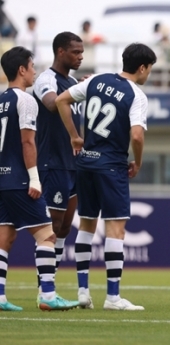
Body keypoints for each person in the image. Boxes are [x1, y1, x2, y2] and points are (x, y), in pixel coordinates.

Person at [55, 43, 157, 311]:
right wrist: (138, 160)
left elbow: (61, 100)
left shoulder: (96, 80)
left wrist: (75, 137)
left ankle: (82, 291)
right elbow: (136, 135)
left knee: (87, 224)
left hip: (85, 162)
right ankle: (112, 297)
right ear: (143, 67)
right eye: (150, 70)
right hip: (111, 166)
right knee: (115, 228)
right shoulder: (137, 94)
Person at [0, 46, 79, 311]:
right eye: (32, 66)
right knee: (47, 235)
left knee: (5, 238)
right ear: (22, 69)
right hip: (20, 180)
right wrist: (34, 178)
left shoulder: (1, 100)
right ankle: (47, 295)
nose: (35, 71)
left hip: (2, 180)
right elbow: (28, 142)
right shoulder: (26, 100)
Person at [32, 32, 84, 291]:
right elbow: (52, 104)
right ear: (60, 52)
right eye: (75, 52)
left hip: (73, 164)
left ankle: (50, 282)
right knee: (51, 227)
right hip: (52, 163)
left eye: (82, 51)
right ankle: (44, 287)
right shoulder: (46, 79)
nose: (81, 56)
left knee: (64, 228)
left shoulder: (72, 81)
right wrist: (77, 92)